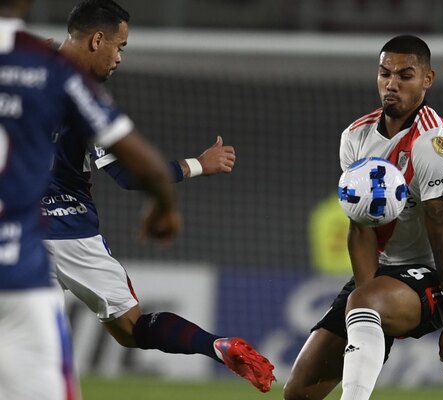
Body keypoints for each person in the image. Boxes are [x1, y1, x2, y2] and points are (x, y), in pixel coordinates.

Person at [42, 0, 275, 393]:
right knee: (132, 328)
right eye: (119, 46)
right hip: (71, 234)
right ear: (98, 40)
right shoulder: (85, 100)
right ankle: (216, 346)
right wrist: (199, 164)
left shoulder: (23, 67)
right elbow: (131, 175)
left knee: (27, 345)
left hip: (14, 233)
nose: (119, 57)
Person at [0, 0, 181, 398]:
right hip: (19, 265)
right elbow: (141, 167)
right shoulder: (51, 72)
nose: (119, 56)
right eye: (119, 46)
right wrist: (165, 206)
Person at [284, 35, 443, 400]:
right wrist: (364, 302)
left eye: (405, 75)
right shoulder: (355, 137)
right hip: (381, 270)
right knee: (298, 393)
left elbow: (442, 230)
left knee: (365, 302)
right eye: (385, 73)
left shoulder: (432, 144)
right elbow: (361, 226)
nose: (392, 84)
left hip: (431, 274)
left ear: (427, 79)